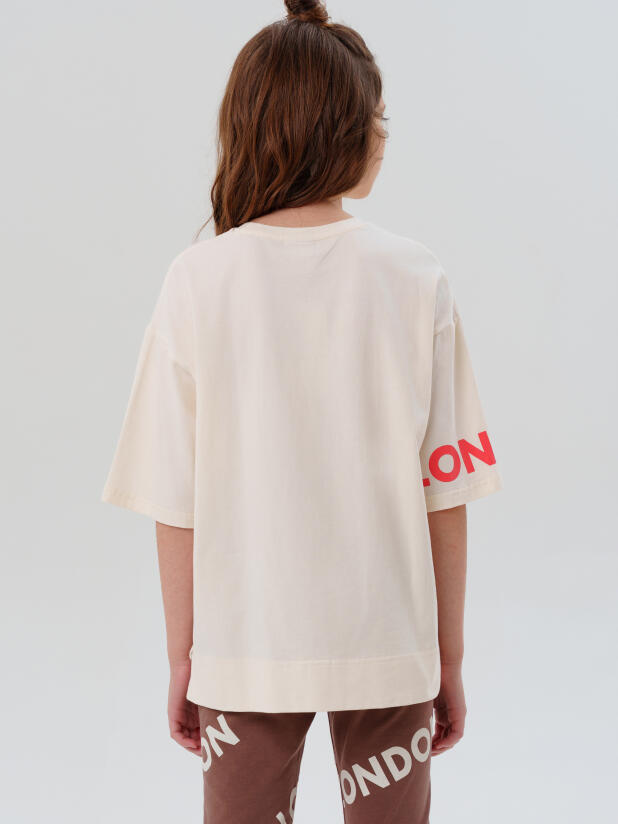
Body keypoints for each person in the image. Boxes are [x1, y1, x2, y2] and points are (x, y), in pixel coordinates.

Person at [101, 1, 503, 821]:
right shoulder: (415, 278)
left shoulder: (197, 281)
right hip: (389, 647)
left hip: (244, 653)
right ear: (344, 132)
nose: (385, 137)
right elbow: (445, 490)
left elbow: (175, 501)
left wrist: (184, 657)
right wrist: (447, 657)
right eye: (378, 118)